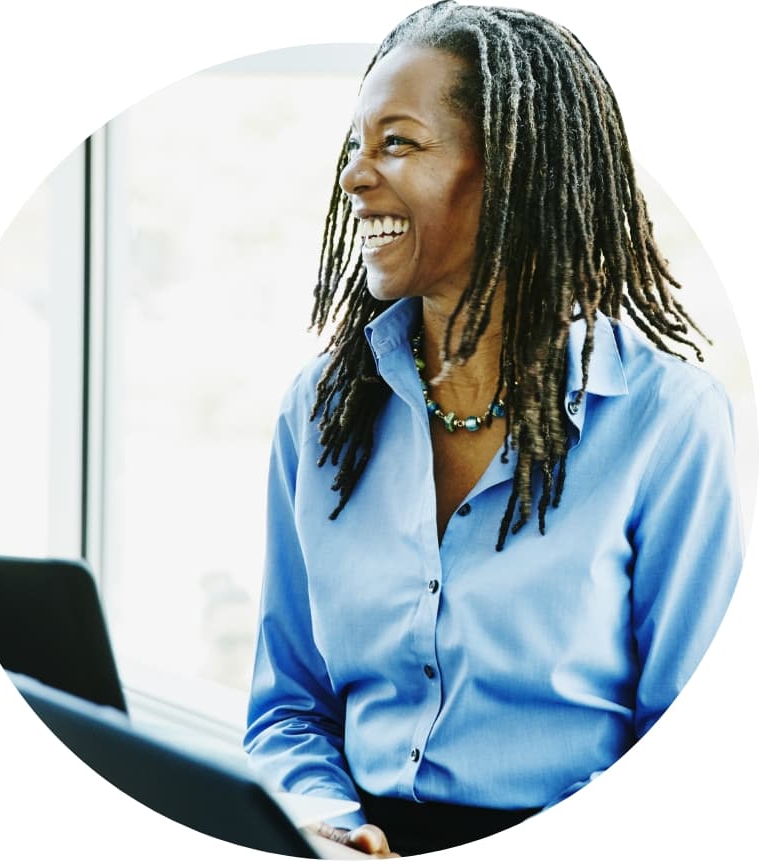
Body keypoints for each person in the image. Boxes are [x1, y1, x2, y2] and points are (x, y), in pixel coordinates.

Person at [243, 2, 743, 856]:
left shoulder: (668, 420)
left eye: (396, 143)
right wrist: (318, 815)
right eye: (356, 148)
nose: (357, 177)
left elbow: (689, 750)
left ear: (513, 171)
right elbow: (288, 705)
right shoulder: (319, 410)